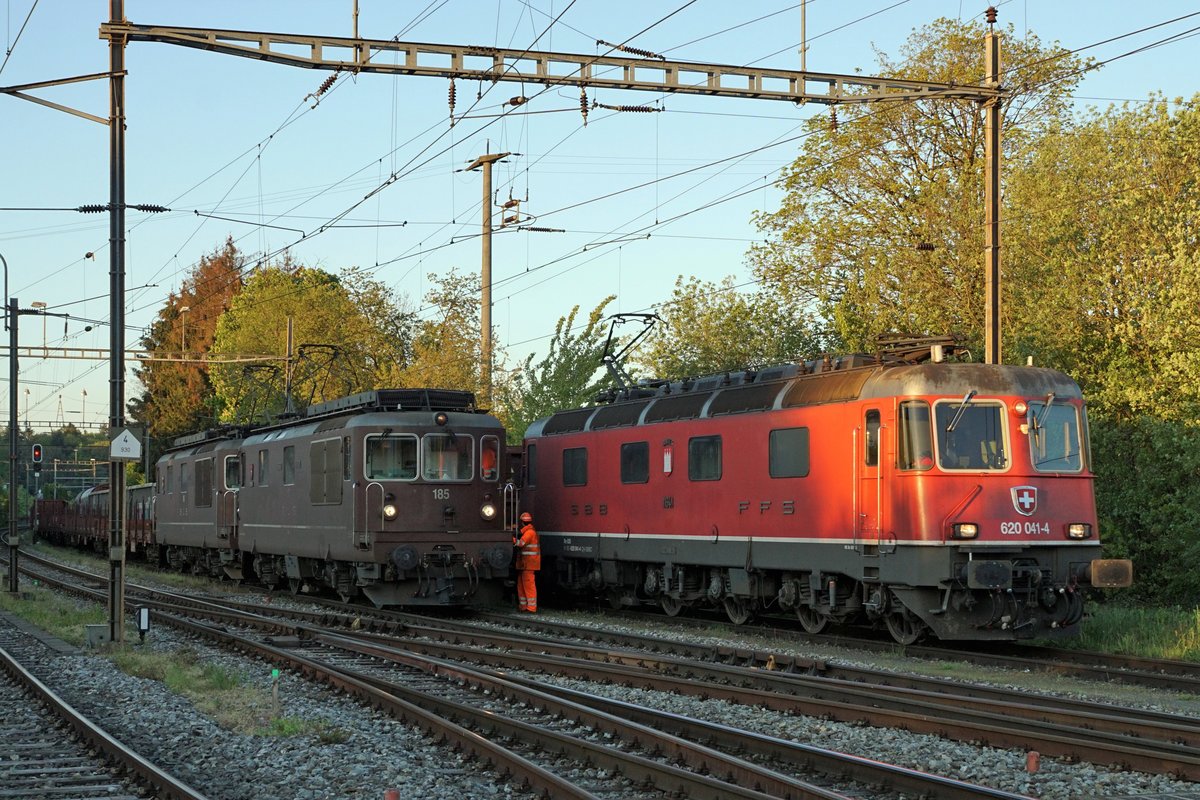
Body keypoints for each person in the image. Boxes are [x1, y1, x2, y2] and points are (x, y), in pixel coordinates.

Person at [513, 511, 540, 613]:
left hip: (529, 564)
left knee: (529, 586)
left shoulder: (529, 533)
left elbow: (521, 544)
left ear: (522, 522)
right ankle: (523, 606)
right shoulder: (529, 532)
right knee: (521, 585)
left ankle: (531, 608)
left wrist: (511, 539)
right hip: (525, 564)